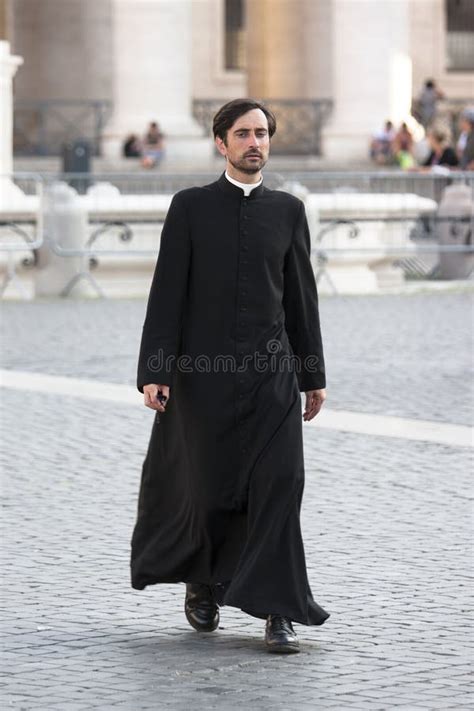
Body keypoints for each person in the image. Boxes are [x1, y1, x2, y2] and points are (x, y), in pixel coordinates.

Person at [130, 98, 330, 654]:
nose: (254, 143)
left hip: (272, 376)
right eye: (243, 133)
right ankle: (204, 582)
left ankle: (277, 609)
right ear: (222, 143)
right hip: (203, 376)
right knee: (210, 488)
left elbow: (300, 301)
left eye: (262, 133)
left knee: (281, 485)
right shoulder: (190, 207)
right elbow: (167, 291)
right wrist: (156, 369)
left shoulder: (288, 211)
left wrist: (311, 373)